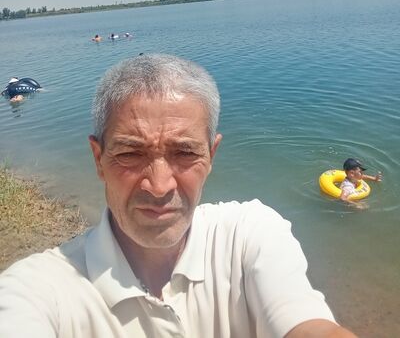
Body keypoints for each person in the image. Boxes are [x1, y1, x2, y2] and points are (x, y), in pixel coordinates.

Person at [0, 55, 356, 337]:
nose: (159, 186)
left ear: (211, 157)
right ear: (98, 159)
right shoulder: (38, 290)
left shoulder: (247, 235)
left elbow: (307, 323)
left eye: (185, 153)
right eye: (130, 153)